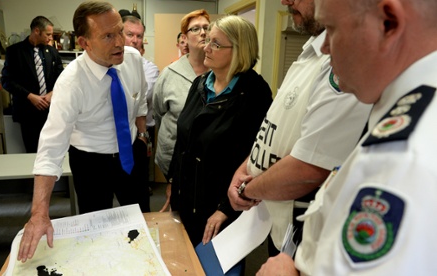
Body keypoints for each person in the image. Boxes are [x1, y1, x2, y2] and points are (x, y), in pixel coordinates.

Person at [258, 0, 437, 274]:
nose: (325, 47)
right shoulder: (407, 111)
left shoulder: (402, 158)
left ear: (388, 23)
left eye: (330, 29)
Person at [227, 0, 372, 259]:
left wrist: (247, 190)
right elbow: (278, 129)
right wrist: (245, 168)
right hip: (274, 219)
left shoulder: (342, 60)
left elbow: (309, 168)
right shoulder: (310, 50)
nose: (285, 1)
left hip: (302, 230)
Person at [17, 1, 148, 263]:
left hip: (131, 153)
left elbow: (139, 101)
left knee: (141, 221)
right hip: (91, 162)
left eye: (120, 31)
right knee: (94, 230)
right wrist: (39, 213)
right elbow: (51, 148)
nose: (120, 42)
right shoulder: (70, 83)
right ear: (84, 42)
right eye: (108, 36)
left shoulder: (133, 59)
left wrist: (142, 137)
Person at [164, 15, 273, 248]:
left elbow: (257, 158)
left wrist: (225, 209)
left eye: (215, 44)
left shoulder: (255, 93)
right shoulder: (201, 83)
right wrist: (173, 182)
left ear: (239, 51)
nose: (206, 48)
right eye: (208, 41)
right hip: (186, 200)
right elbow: (183, 140)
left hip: (221, 207)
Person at [153, 9, 210, 183]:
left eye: (207, 27)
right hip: (175, 159)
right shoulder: (169, 74)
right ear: (184, 38)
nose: (202, 32)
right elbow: (159, 113)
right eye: (195, 29)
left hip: (209, 159)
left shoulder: (220, 72)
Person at [1, 16, 63, 153]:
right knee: (33, 151)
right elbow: (7, 81)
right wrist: (30, 96)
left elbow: (62, 78)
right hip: (27, 111)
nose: (50, 38)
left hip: (50, 109)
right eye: (48, 34)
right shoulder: (15, 51)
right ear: (36, 31)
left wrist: (52, 94)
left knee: (53, 149)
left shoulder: (51, 51)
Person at [122, 14, 160, 192]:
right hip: (113, 134)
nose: (135, 40)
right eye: (130, 35)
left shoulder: (149, 69)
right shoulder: (108, 66)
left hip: (139, 133)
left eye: (139, 36)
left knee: (138, 189)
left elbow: (139, 99)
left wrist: (143, 135)